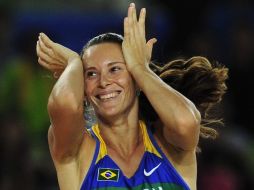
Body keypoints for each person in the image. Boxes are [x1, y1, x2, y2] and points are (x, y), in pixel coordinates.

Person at [36, 3, 228, 190]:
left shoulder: (167, 143)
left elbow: (187, 122)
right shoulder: (79, 152)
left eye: (115, 69)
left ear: (136, 81)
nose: (103, 81)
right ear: (84, 91)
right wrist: (74, 63)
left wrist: (140, 68)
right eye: (91, 73)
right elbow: (66, 103)